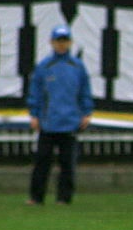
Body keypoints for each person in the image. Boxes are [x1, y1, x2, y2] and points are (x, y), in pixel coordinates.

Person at [26, 24, 93, 206]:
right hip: (48, 122)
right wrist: (34, 114)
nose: (61, 45)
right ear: (52, 42)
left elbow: (84, 91)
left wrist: (87, 112)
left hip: (70, 122)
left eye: (64, 41)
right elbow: (36, 92)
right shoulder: (44, 66)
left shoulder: (77, 67)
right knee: (42, 162)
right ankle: (36, 197)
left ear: (70, 42)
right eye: (58, 41)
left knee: (67, 164)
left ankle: (64, 198)